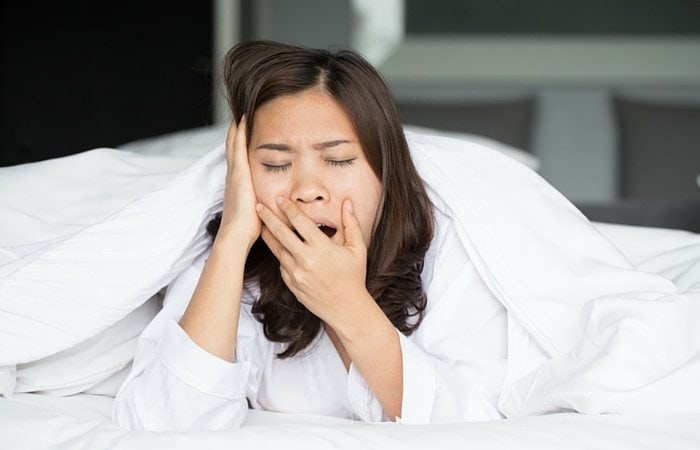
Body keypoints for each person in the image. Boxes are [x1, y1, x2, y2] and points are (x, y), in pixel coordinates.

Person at [112, 40, 507, 431]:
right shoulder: (229, 258)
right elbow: (169, 424)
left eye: (337, 160)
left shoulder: (454, 246)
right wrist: (232, 238)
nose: (307, 189)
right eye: (276, 164)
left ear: (386, 171)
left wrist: (346, 306)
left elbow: (475, 427)